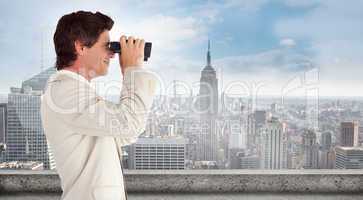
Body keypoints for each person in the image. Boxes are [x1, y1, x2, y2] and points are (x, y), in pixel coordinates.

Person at [41, 11, 156, 200]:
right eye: (106, 46)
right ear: (80, 46)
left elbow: (125, 132)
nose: (111, 55)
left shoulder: (75, 91)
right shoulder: (64, 91)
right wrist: (132, 70)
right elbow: (129, 123)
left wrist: (132, 70)